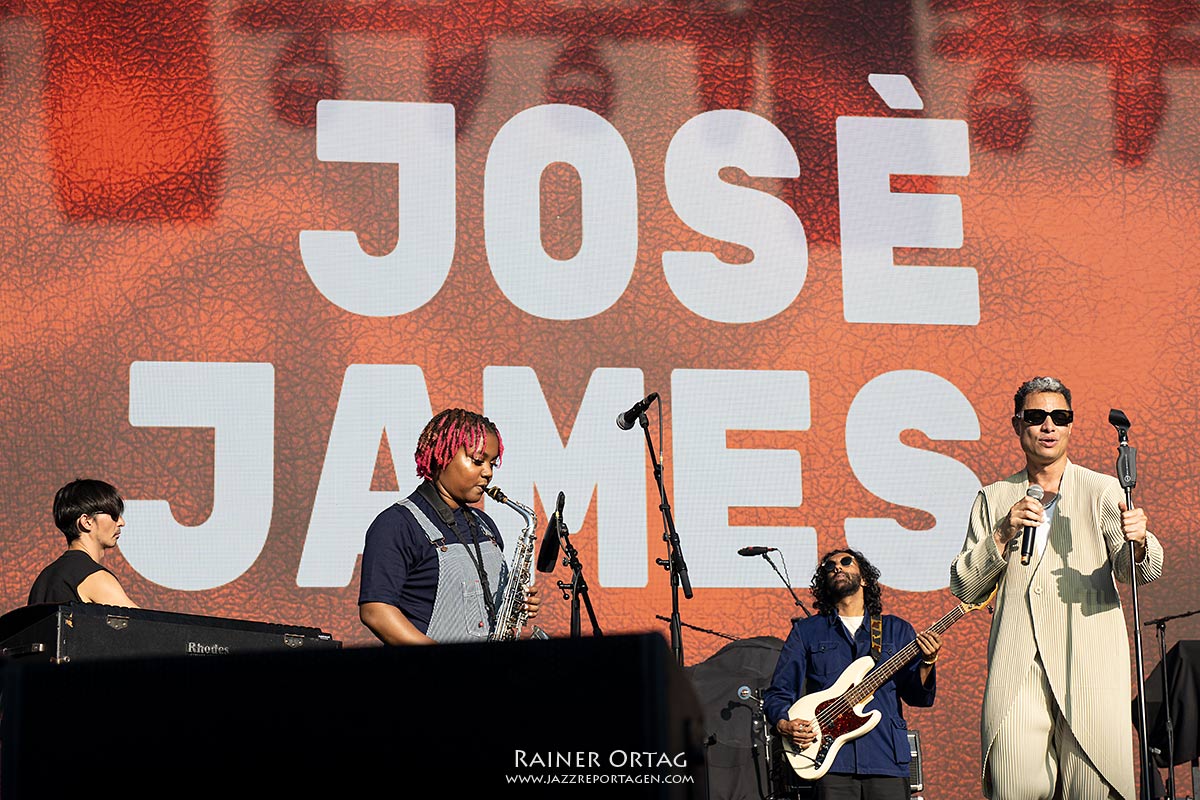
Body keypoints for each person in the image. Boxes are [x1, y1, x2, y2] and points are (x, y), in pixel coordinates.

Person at [950, 376, 1163, 800]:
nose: (1048, 426)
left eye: (1059, 417)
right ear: (1017, 425)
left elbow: (1138, 572)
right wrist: (1003, 532)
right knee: (1016, 786)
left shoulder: (1101, 488)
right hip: (1018, 670)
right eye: (1036, 416)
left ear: (1070, 426)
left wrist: (1139, 542)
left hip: (1091, 664)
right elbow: (965, 587)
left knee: (1093, 788)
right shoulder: (994, 497)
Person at [764, 548, 942, 799]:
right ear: (824, 582)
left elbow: (917, 696)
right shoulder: (806, 632)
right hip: (830, 764)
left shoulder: (896, 629)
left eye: (846, 562)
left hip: (886, 759)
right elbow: (779, 692)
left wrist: (928, 661)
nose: (837, 567)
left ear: (865, 578)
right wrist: (784, 724)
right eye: (829, 566)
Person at [358, 408, 539, 644]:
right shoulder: (396, 524)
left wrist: (515, 602)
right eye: (477, 461)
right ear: (442, 456)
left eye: (492, 463)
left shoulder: (486, 526)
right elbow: (375, 612)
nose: (488, 473)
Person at [28, 478, 138, 607]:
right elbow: (144, 625)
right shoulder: (95, 578)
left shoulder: (43, 580)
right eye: (114, 515)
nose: (121, 522)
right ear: (87, 521)